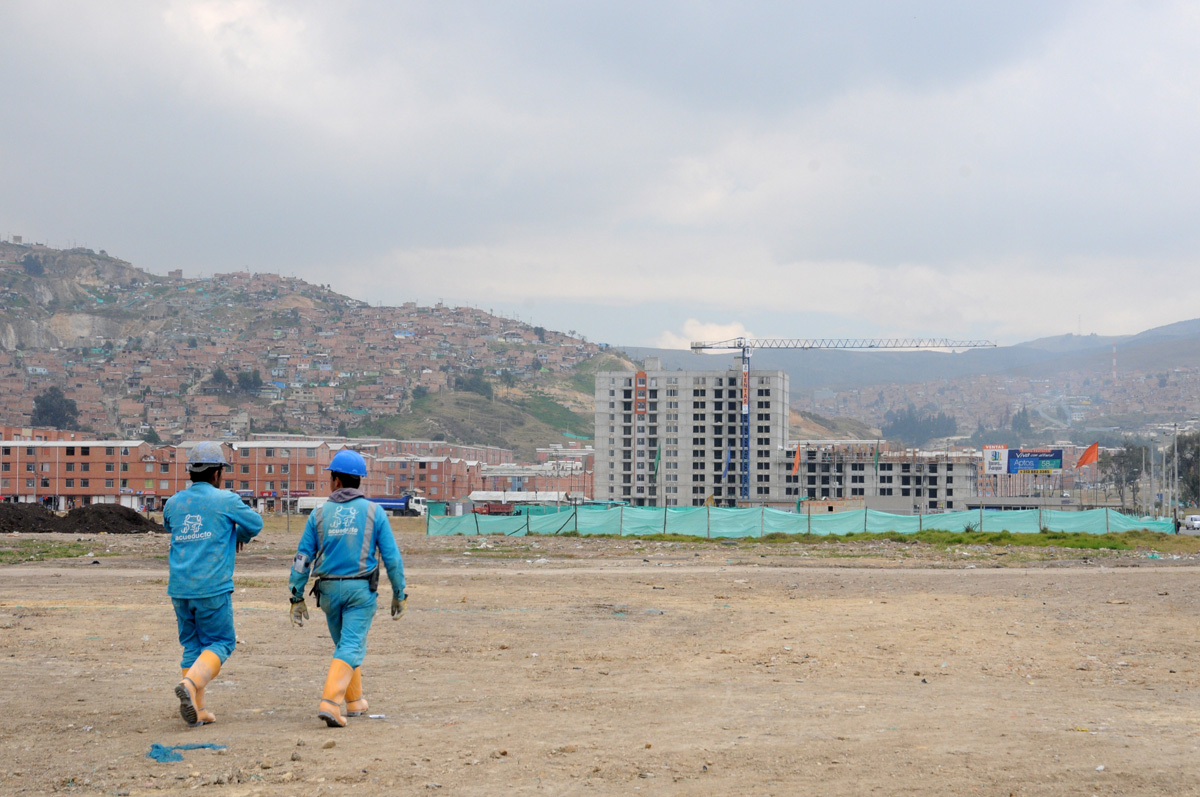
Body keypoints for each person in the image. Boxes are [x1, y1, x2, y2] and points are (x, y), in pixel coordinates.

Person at [288, 449, 407, 728]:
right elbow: (392, 558)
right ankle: (330, 703)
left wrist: (296, 596)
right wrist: (399, 593)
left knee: (345, 645)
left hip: (328, 593)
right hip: (360, 592)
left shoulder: (317, 514)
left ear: (336, 480)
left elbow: (302, 559)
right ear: (359, 481)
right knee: (351, 645)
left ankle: (355, 702)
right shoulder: (374, 513)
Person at [164, 441, 264, 727]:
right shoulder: (226, 500)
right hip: (212, 588)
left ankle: (198, 709)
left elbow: (170, 525)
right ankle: (190, 685)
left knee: (192, 645)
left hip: (180, 589)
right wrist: (237, 531)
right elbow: (255, 525)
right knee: (221, 642)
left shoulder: (174, 502)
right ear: (218, 472)